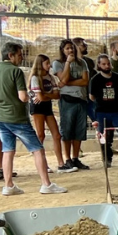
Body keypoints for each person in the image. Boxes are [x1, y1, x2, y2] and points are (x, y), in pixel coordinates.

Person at [0, 42, 66, 195]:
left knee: (8, 150)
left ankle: (8, 185)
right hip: (17, 117)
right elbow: (23, 96)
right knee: (37, 149)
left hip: (2, 118)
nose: (21, 57)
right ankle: (46, 184)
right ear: (10, 55)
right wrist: (32, 96)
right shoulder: (16, 71)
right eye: (19, 54)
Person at [89, 55, 118, 168]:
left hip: (117, 112)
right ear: (99, 65)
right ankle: (107, 158)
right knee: (104, 136)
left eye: (108, 64)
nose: (107, 66)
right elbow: (92, 96)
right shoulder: (95, 80)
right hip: (101, 112)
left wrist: (117, 103)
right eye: (104, 64)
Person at [29, 54, 73, 174]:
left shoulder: (50, 77)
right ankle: (43, 164)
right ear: (40, 64)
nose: (49, 66)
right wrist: (46, 96)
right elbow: (40, 98)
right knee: (40, 134)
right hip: (37, 107)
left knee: (57, 135)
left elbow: (56, 95)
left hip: (46, 106)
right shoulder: (35, 78)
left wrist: (45, 95)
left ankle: (61, 163)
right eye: (47, 64)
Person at [52, 38, 91, 170]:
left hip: (81, 99)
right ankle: (67, 158)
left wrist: (68, 82)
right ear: (62, 50)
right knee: (67, 130)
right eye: (67, 48)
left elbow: (85, 81)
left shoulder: (82, 63)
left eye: (72, 48)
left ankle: (75, 158)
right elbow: (62, 78)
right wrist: (68, 63)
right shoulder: (58, 63)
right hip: (67, 100)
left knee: (79, 130)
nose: (70, 50)